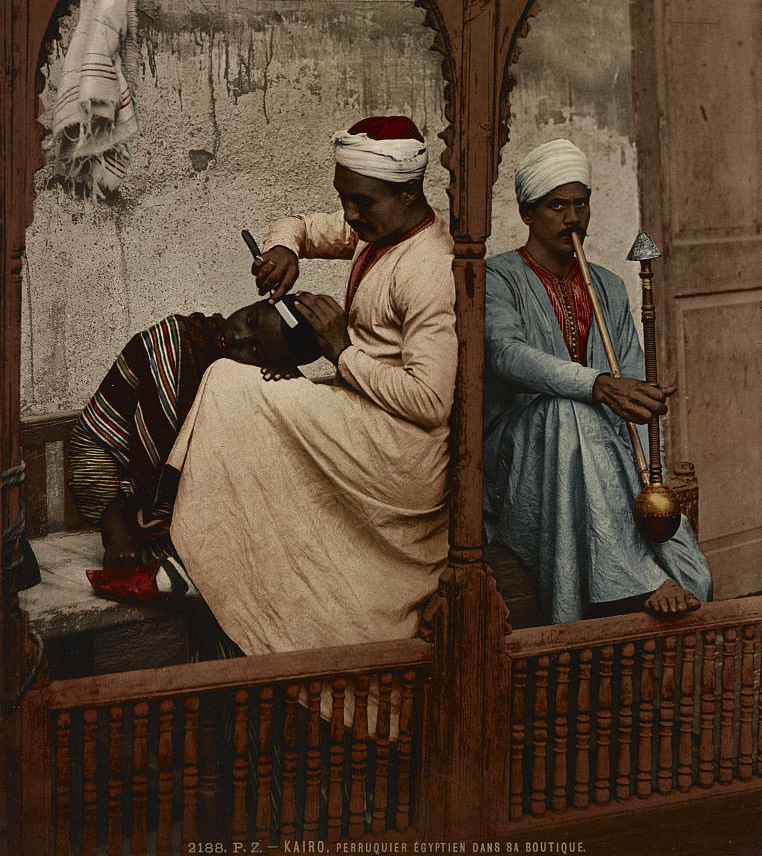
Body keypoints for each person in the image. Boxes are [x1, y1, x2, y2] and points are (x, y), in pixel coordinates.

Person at [165, 115, 457, 655]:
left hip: (400, 452)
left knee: (229, 382)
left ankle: (192, 541)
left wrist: (340, 349)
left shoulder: (430, 268)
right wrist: (284, 249)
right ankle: (203, 539)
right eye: (343, 198)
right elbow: (299, 225)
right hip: (362, 414)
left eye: (360, 201)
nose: (349, 214)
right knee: (240, 382)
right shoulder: (379, 227)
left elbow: (431, 401)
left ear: (409, 192)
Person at [483, 138, 712, 624]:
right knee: (569, 409)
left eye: (581, 204)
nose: (573, 219)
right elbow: (506, 354)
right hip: (523, 461)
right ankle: (638, 581)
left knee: (694, 576)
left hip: (607, 455)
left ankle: (657, 575)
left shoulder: (607, 284)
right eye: (557, 206)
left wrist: (647, 426)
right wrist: (598, 385)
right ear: (526, 213)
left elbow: (631, 379)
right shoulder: (497, 277)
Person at [69, 296, 320, 570]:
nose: (239, 337)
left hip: (211, 536)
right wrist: (116, 533)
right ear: (258, 303)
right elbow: (90, 439)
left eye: (256, 349)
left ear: (276, 366)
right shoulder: (167, 344)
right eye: (251, 320)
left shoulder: (267, 390)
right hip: (138, 523)